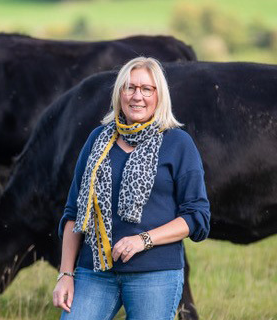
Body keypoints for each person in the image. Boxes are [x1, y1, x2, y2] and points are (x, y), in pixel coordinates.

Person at [52, 57, 211, 320]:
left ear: (159, 96)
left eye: (147, 89)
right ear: (119, 94)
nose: (137, 96)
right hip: (95, 272)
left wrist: (143, 240)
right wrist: (65, 274)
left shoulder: (178, 143)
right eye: (130, 87)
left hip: (154, 275)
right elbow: (73, 213)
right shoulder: (97, 140)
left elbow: (197, 217)